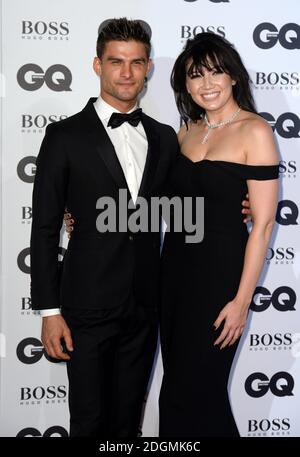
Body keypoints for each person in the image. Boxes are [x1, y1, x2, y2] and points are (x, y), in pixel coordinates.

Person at [30, 17, 179, 437]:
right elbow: (44, 228)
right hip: (86, 304)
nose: (126, 73)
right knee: (90, 422)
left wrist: (237, 206)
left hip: (145, 305)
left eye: (136, 62)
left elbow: (188, 203)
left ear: (148, 67)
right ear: (97, 65)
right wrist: (49, 311)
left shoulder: (165, 137)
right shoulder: (64, 135)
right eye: (116, 61)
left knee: (127, 421)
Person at [158, 32, 279, 437]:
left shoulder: (255, 131)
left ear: (233, 77)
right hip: (173, 277)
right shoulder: (185, 132)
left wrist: (242, 301)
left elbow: (262, 225)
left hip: (219, 279)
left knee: (202, 392)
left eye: (215, 72)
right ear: (185, 84)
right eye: (196, 75)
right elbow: (160, 203)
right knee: (174, 393)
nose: (206, 84)